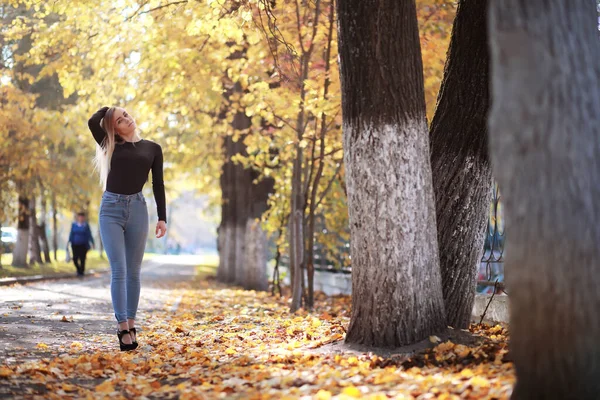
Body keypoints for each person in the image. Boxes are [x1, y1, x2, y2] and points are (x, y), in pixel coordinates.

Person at [88, 106, 167, 351]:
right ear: (115, 129)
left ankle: (132, 326)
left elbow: (159, 184)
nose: (127, 120)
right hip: (111, 208)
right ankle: (122, 327)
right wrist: (109, 110)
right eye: (120, 120)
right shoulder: (110, 145)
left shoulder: (153, 148)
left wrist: (162, 218)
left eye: (127, 115)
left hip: (138, 208)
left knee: (134, 272)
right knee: (119, 270)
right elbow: (93, 122)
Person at [68, 212, 95, 277]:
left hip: (83, 245)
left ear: (84, 218)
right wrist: (69, 242)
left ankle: (81, 272)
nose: (81, 218)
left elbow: (89, 234)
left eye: (82, 217)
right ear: (78, 217)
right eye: (80, 217)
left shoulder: (86, 225)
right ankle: (79, 270)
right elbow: (71, 234)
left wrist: (92, 242)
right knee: (75, 259)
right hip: (75, 244)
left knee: (82, 259)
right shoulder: (74, 225)